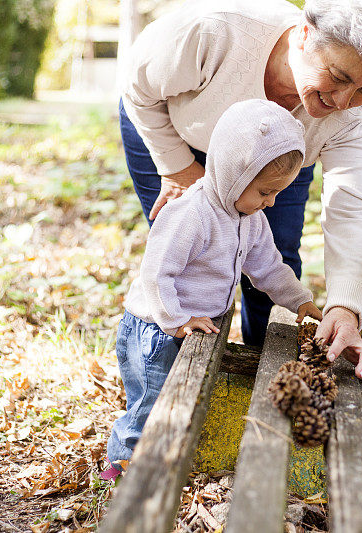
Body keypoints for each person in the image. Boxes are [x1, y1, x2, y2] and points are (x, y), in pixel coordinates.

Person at [119, 0, 362, 387]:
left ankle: (261, 382)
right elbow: (138, 86)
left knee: (274, 254)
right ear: (304, 35)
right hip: (171, 129)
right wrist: (178, 168)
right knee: (189, 251)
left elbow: (352, 208)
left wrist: (345, 308)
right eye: (339, 76)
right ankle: (164, 378)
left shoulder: (351, 117)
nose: (343, 102)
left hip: (277, 160)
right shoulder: (214, 31)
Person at [104, 100, 323, 479]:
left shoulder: (249, 217)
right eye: (265, 192)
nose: (270, 202)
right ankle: (123, 467)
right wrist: (175, 320)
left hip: (190, 325)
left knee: (178, 399)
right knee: (150, 402)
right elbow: (157, 273)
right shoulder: (192, 213)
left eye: (276, 194)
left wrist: (300, 300)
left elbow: (269, 268)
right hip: (154, 329)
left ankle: (165, 455)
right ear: (235, 175)